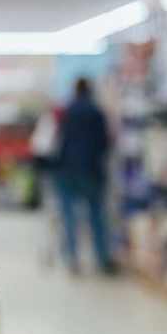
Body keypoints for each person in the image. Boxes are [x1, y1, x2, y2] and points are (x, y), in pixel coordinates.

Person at [54, 77, 115, 274]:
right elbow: (104, 143)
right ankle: (102, 259)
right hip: (91, 171)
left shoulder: (67, 111)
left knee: (69, 217)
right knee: (96, 216)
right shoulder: (97, 112)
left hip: (68, 170)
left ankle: (73, 259)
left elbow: (60, 139)